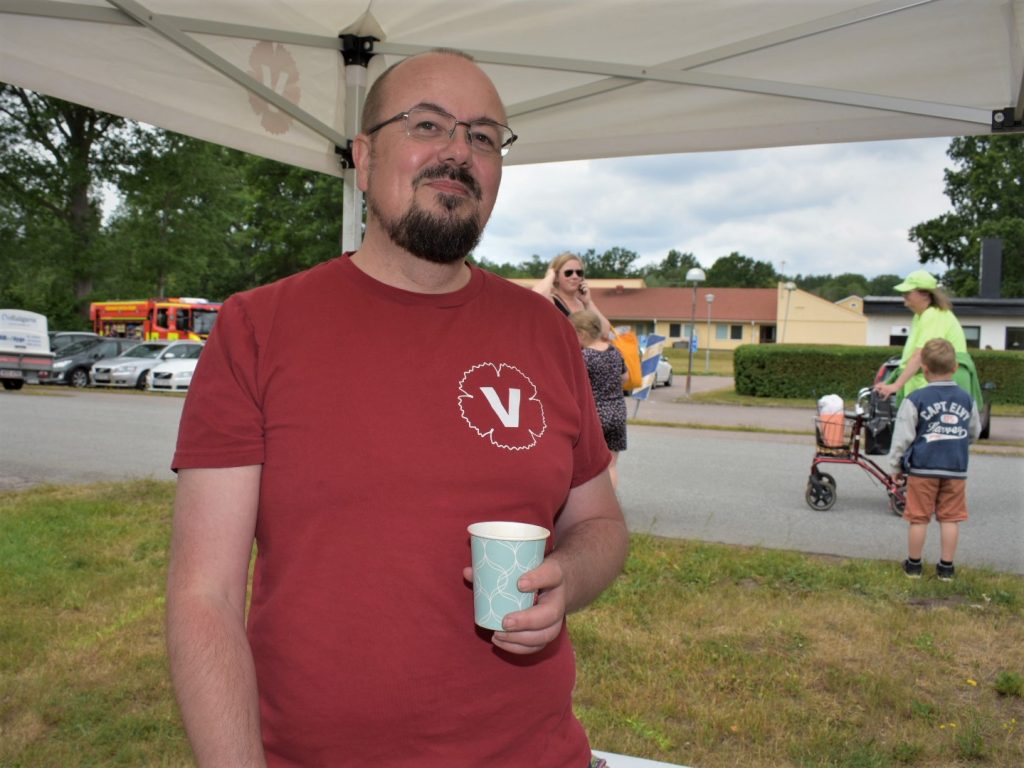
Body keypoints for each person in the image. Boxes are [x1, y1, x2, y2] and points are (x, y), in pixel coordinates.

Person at [165, 49, 629, 768]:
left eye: (483, 136)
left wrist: (566, 579)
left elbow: (599, 523)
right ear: (363, 153)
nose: (457, 152)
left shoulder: (542, 330)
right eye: (427, 124)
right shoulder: (258, 328)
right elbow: (206, 598)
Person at [886, 338, 980, 581]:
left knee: (918, 517)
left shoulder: (915, 399)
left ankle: (914, 565)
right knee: (950, 518)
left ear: (924, 369)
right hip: (955, 468)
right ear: (955, 367)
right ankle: (946, 567)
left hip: (923, 469)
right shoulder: (967, 399)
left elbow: (903, 437)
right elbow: (974, 431)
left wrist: (896, 465)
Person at [873, 269, 977, 403]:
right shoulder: (921, 316)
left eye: (908, 292)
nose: (904, 295)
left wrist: (896, 385)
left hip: (942, 385)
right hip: (935, 384)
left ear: (925, 293)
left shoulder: (932, 315)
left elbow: (920, 354)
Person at [570, 310, 628, 490]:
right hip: (617, 412)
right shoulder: (614, 351)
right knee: (610, 465)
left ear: (581, 333)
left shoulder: (584, 356)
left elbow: (574, 384)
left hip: (595, 416)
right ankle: (611, 505)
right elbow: (625, 377)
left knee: (585, 465)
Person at [533, 251, 611, 336]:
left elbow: (605, 332)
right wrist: (550, 275)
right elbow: (534, 298)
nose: (575, 276)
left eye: (579, 273)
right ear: (556, 277)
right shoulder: (551, 301)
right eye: (568, 273)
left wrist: (588, 302)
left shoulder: (584, 305)